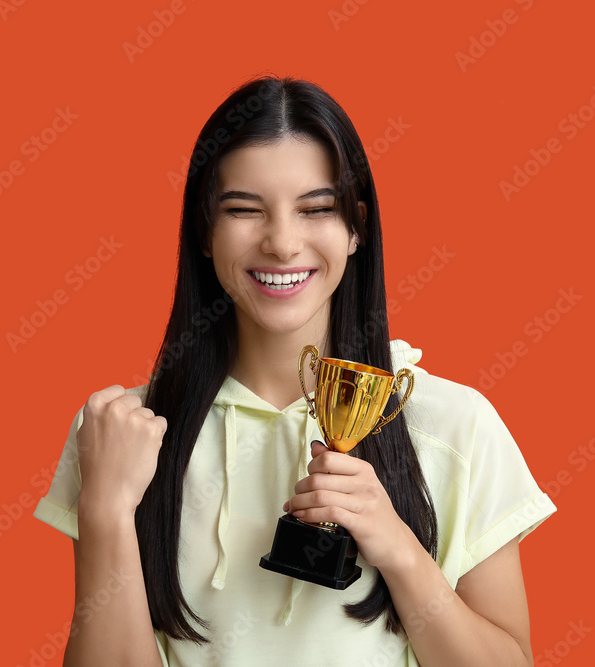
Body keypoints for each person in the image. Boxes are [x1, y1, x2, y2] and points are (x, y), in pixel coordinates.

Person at [33, 74, 557, 666]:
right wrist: (105, 511)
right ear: (204, 231)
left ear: (356, 227)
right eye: (243, 209)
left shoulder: (456, 426)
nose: (283, 243)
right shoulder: (121, 434)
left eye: (316, 209)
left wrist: (403, 554)